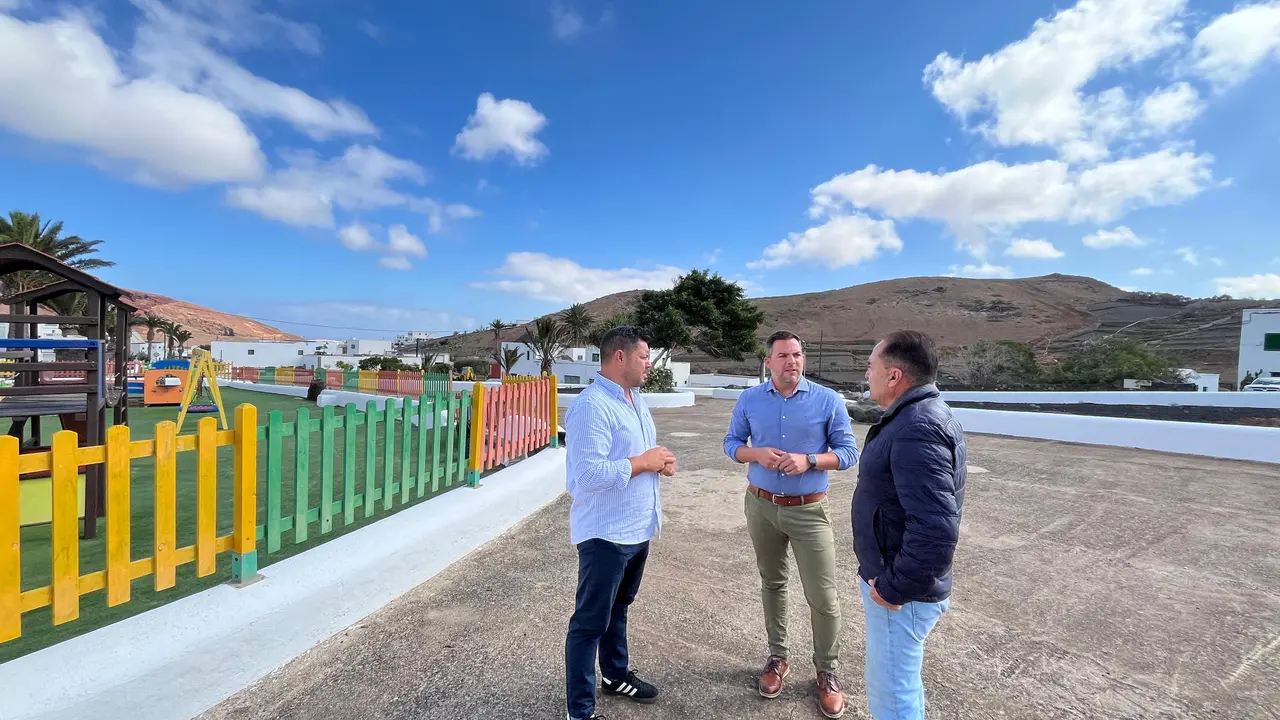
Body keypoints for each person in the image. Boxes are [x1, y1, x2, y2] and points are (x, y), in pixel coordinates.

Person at [723, 330, 859, 719]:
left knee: (823, 595)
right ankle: (778, 657)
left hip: (809, 510)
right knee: (773, 583)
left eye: (797, 355)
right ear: (768, 362)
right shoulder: (749, 399)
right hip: (761, 506)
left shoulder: (827, 400)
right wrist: (756, 453)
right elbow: (731, 444)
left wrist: (809, 460)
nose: (792, 362)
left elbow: (849, 451)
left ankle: (827, 670)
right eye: (783, 356)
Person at [563, 325, 677, 720]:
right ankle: (579, 710)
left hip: (637, 527)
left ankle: (614, 675)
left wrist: (659, 461)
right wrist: (643, 463)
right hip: (605, 534)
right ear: (620, 357)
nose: (650, 362)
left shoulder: (636, 399)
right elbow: (589, 474)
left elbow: (638, 454)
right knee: (589, 623)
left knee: (619, 608)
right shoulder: (591, 405)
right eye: (644, 355)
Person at [853, 330, 966, 720]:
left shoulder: (916, 427)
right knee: (899, 684)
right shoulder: (916, 417)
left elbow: (936, 529)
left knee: (892, 695)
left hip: (901, 592)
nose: (866, 374)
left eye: (871, 366)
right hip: (900, 583)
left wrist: (893, 587)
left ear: (895, 376)